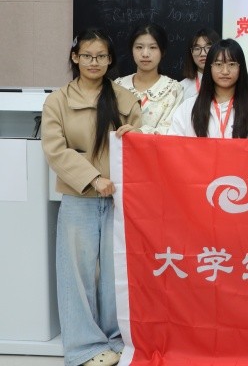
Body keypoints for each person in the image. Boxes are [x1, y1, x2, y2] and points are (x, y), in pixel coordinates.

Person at [41, 29, 142, 366]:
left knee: (116, 272)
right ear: (75, 57)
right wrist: (93, 178)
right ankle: (84, 347)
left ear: (110, 59)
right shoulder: (57, 101)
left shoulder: (125, 99)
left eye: (101, 56)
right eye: (87, 55)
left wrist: (136, 135)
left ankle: (116, 339)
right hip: (79, 196)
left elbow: (141, 143)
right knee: (77, 272)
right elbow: (55, 150)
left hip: (119, 197)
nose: (94, 62)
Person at [169, 39, 248, 138]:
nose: (225, 71)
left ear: (241, 68)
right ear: (209, 68)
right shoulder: (188, 108)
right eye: (218, 64)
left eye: (231, 64)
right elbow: (174, 143)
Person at [114, 23, 183, 134]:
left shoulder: (173, 89)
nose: (145, 54)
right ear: (132, 50)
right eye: (139, 47)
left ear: (162, 52)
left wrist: (141, 132)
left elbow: (173, 129)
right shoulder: (118, 85)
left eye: (153, 47)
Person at [180, 27, 220, 102]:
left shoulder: (227, 82)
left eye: (208, 47)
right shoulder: (181, 87)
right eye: (197, 48)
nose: (203, 54)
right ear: (191, 53)